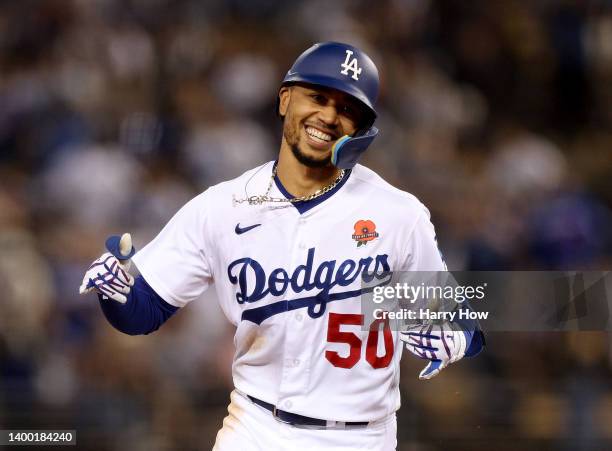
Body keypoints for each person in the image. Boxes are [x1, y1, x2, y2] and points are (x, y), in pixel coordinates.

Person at [80, 42, 484, 451]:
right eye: (318, 97)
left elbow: (461, 318)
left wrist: (456, 338)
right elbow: (142, 313)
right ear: (285, 98)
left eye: (347, 109)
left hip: (362, 436)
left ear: (361, 130)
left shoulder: (398, 215)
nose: (328, 115)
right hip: (255, 426)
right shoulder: (221, 206)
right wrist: (117, 294)